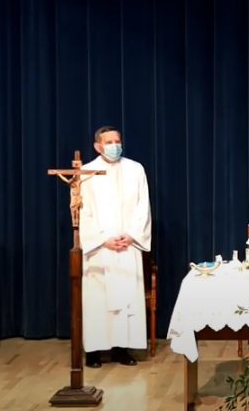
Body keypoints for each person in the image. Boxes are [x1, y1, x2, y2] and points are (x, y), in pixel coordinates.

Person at [79, 126, 152, 368]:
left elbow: (143, 206)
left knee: (127, 298)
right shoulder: (86, 172)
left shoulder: (135, 169)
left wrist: (131, 235)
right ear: (98, 146)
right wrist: (102, 239)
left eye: (117, 141)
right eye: (109, 142)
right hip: (100, 249)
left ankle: (122, 349)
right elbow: (83, 212)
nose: (114, 146)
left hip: (127, 245)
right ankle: (94, 351)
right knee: (97, 300)